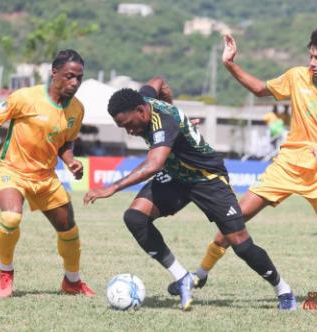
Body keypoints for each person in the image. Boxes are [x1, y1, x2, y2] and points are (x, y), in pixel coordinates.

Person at [168, 28, 317, 308]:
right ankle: (200, 275)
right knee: (233, 219)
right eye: (310, 57)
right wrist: (230, 64)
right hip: (286, 167)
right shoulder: (297, 77)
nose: (312, 63)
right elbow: (260, 89)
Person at [83, 76, 296, 311]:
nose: (130, 131)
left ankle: (283, 289)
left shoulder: (163, 121)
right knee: (135, 217)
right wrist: (180, 117)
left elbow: (153, 165)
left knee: (240, 244)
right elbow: (160, 81)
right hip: (176, 176)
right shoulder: (143, 98)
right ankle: (182, 277)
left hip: (207, 178)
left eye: (129, 124)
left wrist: (112, 187)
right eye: (123, 127)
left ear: (141, 110)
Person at [0, 49, 95, 299]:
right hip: (11, 170)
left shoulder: (77, 109)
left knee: (69, 230)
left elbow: (65, 142)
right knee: (11, 218)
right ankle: (6, 272)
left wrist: (71, 162)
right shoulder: (26, 97)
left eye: (79, 78)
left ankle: (72, 281)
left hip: (45, 177)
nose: (74, 83)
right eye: (69, 76)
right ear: (54, 73)